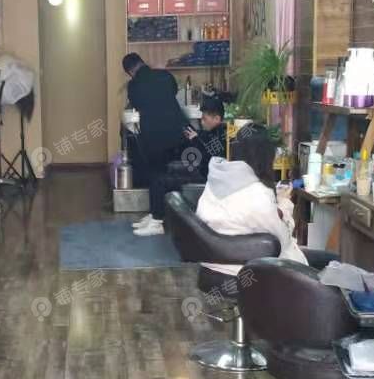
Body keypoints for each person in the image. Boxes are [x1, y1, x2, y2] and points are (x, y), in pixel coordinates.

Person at [193, 124, 307, 277]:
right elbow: (282, 241)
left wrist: (274, 205)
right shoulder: (258, 193)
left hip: (211, 262)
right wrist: (285, 203)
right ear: (266, 155)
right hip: (242, 269)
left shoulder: (217, 177)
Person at [123, 52, 182, 237]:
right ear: (143, 62)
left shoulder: (133, 85)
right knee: (159, 174)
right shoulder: (165, 76)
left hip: (154, 135)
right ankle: (155, 214)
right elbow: (173, 92)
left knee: (155, 175)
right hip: (176, 133)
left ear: (130, 72)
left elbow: (137, 103)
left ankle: (157, 220)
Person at [181, 94, 227, 180]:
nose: (202, 123)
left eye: (204, 119)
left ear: (217, 119)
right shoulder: (211, 133)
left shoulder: (222, 137)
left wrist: (196, 140)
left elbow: (209, 158)